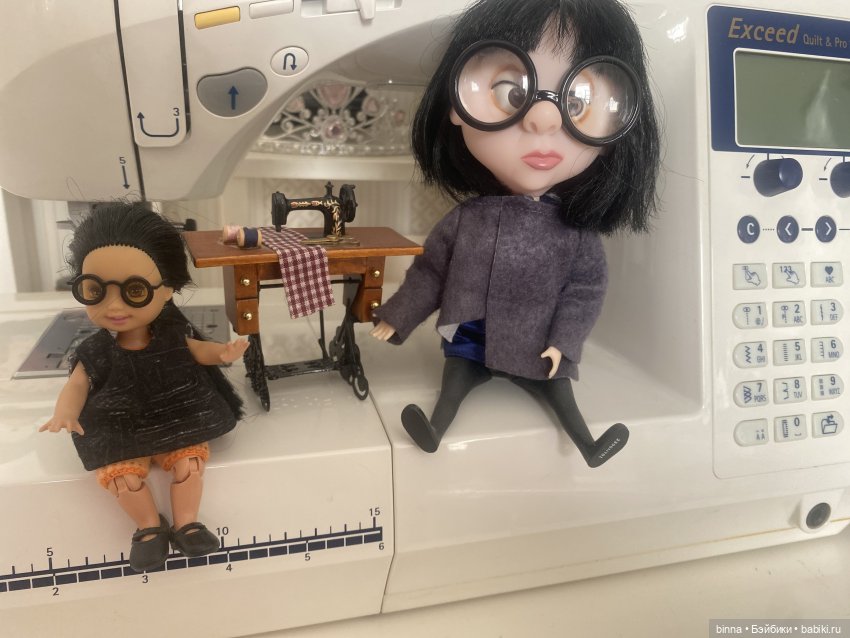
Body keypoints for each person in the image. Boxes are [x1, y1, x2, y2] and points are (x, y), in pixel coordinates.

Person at [371, 0, 660, 467]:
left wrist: (565, 342)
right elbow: (431, 272)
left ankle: (588, 444)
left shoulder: (575, 235)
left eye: (576, 103)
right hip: (471, 338)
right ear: (456, 107)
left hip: (538, 346)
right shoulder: (467, 220)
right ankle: (435, 428)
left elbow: (585, 292)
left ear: (617, 126)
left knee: (560, 392)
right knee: (454, 382)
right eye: (510, 92)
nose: (543, 119)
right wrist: (399, 315)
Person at [40, 203, 249, 571]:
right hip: (119, 425)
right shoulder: (94, 350)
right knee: (122, 479)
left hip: (176, 416)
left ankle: (187, 523)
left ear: (167, 290)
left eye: (134, 290)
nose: (114, 306)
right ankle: (149, 527)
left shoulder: (172, 335)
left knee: (188, 464)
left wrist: (222, 352)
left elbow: (197, 350)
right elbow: (77, 385)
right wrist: (65, 412)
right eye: (95, 290)